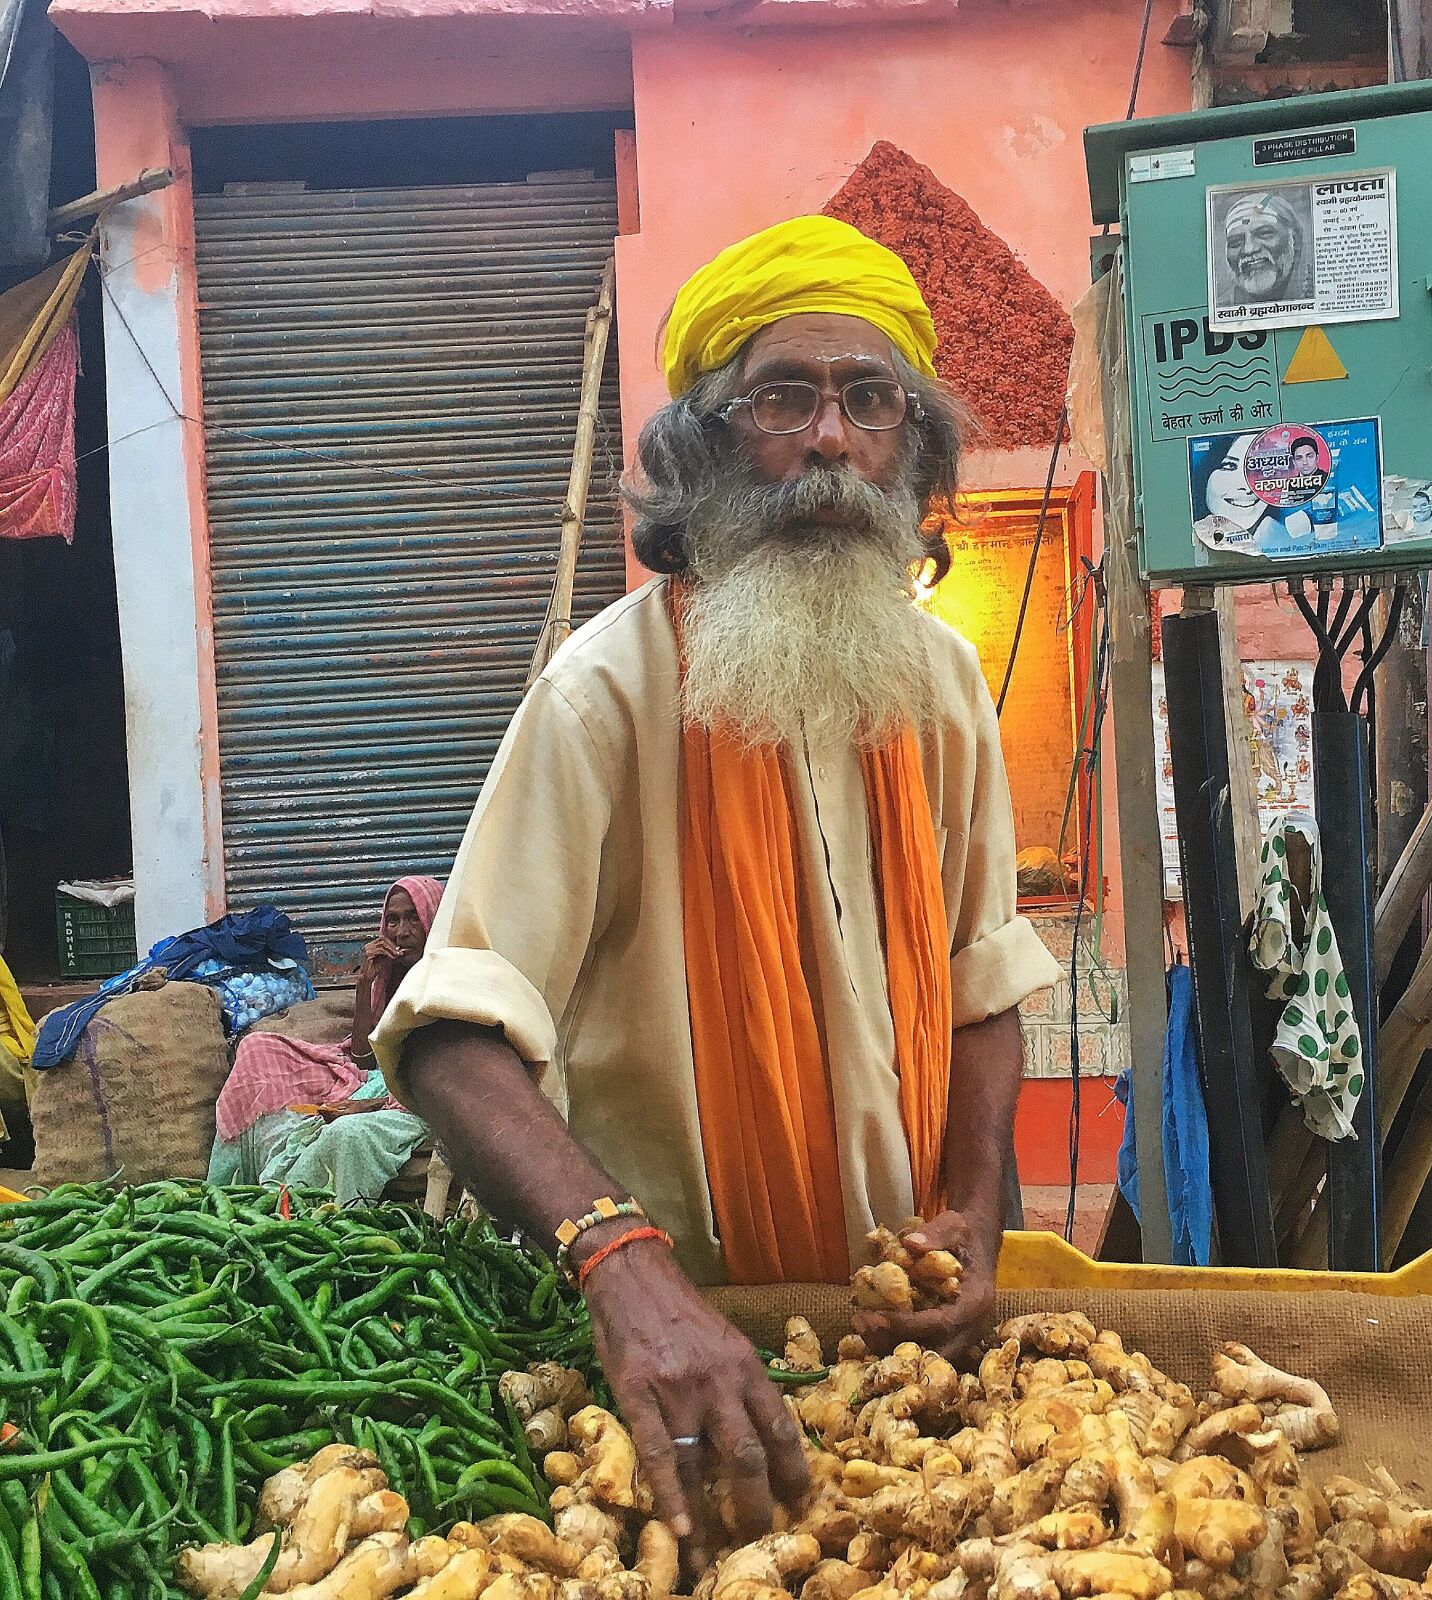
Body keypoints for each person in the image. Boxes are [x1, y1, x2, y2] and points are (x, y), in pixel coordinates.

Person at [372, 215, 1061, 1566]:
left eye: (871, 401)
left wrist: (975, 1220)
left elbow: (984, 980)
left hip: (902, 1358)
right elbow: (453, 1035)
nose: (828, 439)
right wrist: (621, 1269)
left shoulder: (942, 686)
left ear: (909, 449)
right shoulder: (603, 697)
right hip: (679, 1372)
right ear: (702, 449)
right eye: (781, 400)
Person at [209, 875, 444, 1202]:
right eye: (392, 920)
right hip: (377, 1079)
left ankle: (297, 1209)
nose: (401, 931)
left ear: (434, 918)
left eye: (413, 918)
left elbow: (442, 1082)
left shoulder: (447, 985)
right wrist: (365, 984)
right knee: (257, 1047)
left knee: (343, 1135)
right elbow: (364, 1058)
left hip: (418, 1096)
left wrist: (367, 1105)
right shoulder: (391, 978)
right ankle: (230, 1188)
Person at [1191, 432, 1311, 550]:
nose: (1247, 487)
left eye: (1258, 468)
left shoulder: (1288, 539)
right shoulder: (1194, 539)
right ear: (1205, 473)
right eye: (1230, 466)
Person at [1220, 191, 1310, 307]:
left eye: (1264, 233)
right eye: (1235, 242)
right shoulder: (1223, 307)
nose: (1249, 249)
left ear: (1295, 238)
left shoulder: (1322, 293)